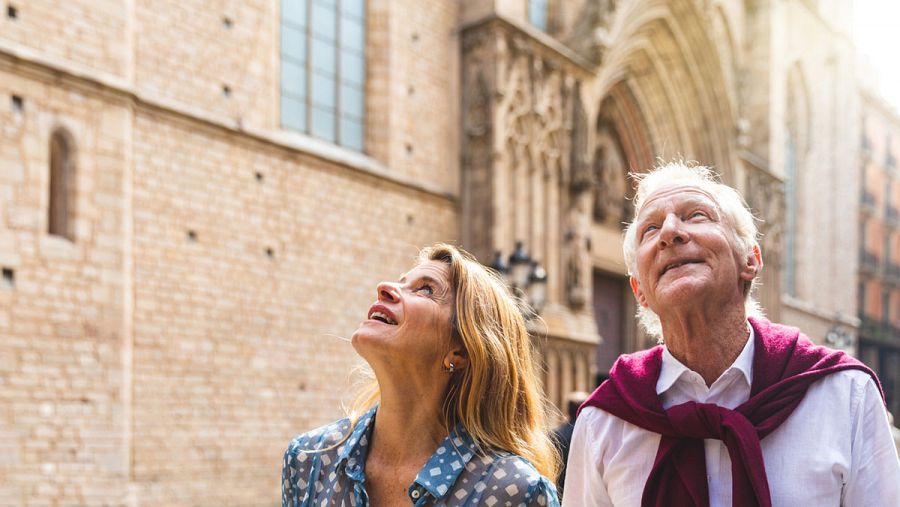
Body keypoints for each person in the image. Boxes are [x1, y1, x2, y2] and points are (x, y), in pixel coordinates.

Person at [563, 162, 900, 506]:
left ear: (750, 260)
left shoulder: (844, 396)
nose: (669, 232)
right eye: (650, 229)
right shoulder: (604, 422)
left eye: (696, 215)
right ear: (640, 292)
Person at [282, 244, 560, 506]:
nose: (385, 288)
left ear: (460, 352)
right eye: (401, 282)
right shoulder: (310, 460)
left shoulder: (513, 492)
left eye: (426, 289)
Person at [551, 390, 589, 496]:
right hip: (586, 492)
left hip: (562, 492)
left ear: (567, 411)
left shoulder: (556, 435)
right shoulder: (594, 435)